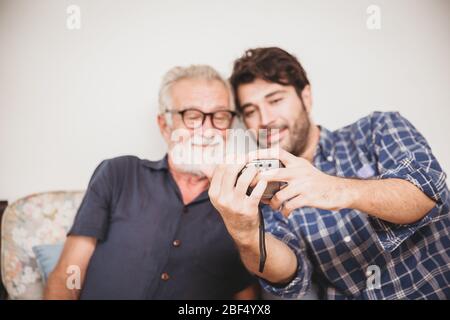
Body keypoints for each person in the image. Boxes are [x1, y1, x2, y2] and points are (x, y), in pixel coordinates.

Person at [208, 47, 450, 299]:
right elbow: (291, 277)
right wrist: (246, 235)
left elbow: (426, 191)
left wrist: (334, 188)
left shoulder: (376, 129)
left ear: (306, 96)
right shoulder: (267, 187)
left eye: (275, 100)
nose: (265, 119)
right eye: (250, 111)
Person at [45, 65, 257, 299]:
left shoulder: (241, 200)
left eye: (220, 117)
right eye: (193, 116)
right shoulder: (119, 174)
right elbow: (68, 273)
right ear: (165, 126)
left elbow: (245, 294)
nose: (207, 131)